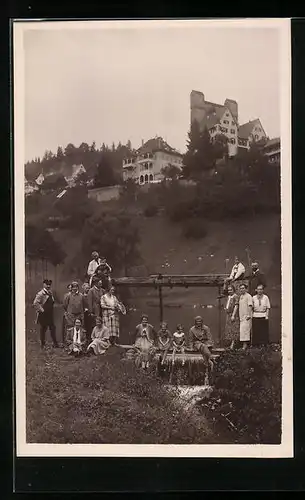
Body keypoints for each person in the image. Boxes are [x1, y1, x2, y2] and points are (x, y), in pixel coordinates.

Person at [33, 279, 58, 349]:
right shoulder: (41, 293)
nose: (48, 286)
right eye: (47, 284)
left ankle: (55, 343)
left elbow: (52, 301)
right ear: (43, 284)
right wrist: (42, 310)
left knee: (52, 328)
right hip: (43, 315)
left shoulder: (50, 293)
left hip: (50, 314)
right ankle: (43, 344)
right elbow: (35, 303)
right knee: (43, 329)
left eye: (49, 285)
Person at [224, 284, 239, 349]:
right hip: (228, 314)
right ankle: (230, 344)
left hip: (233, 315)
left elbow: (236, 306)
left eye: (231, 290)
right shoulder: (229, 297)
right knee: (229, 329)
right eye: (228, 290)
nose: (229, 291)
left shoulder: (235, 296)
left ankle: (233, 344)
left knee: (233, 329)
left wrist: (233, 315)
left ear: (234, 290)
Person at [238, 283, 253, 350]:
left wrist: (249, 315)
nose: (242, 289)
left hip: (247, 316)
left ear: (246, 289)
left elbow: (250, 306)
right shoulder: (241, 296)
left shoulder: (248, 296)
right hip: (242, 316)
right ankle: (244, 345)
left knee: (245, 331)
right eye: (240, 288)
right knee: (242, 331)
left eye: (243, 288)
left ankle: (245, 346)